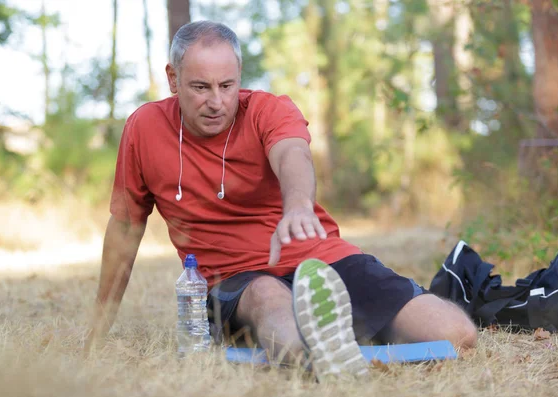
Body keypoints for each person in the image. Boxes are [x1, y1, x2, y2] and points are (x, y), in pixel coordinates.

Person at [86, 20, 477, 378]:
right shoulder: (144, 128)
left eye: (227, 85)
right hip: (237, 280)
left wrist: (298, 205)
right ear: (173, 79)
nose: (217, 101)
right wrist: (100, 327)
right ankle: (324, 351)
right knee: (270, 299)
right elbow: (125, 228)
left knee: (457, 335)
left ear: (239, 78)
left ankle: (337, 340)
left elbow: (293, 154)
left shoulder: (267, 109)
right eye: (200, 87)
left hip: (322, 261)